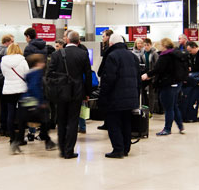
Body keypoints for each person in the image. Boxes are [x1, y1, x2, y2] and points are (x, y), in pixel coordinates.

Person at [48, 30, 93, 159]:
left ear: (67, 40)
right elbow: (88, 75)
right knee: (73, 121)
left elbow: (49, 74)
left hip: (61, 92)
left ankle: (62, 149)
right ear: (78, 41)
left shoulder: (56, 55)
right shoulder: (83, 54)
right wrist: (88, 93)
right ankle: (69, 150)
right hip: (77, 92)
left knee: (61, 120)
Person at [97, 34, 139, 158]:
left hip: (115, 97)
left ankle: (118, 149)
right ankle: (126, 148)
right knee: (126, 123)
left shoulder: (111, 56)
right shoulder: (132, 56)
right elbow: (138, 78)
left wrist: (103, 95)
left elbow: (108, 79)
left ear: (111, 44)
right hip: (131, 97)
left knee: (113, 124)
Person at [10, 54, 56, 154]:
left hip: (24, 100)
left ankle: (16, 142)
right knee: (45, 121)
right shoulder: (37, 73)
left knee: (23, 123)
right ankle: (48, 141)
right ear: (38, 63)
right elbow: (35, 87)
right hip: (34, 101)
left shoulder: (28, 73)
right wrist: (40, 102)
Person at [143, 38, 187, 136]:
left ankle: (167, 129)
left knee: (168, 108)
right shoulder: (177, 54)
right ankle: (181, 126)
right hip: (177, 83)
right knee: (174, 106)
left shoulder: (165, 56)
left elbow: (158, 69)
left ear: (164, 46)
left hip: (167, 84)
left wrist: (147, 75)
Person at [1, 42, 29, 146]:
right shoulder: (22, 61)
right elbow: (27, 74)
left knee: (10, 114)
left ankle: (12, 138)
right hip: (21, 89)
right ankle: (21, 138)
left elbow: (4, 74)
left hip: (8, 90)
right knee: (22, 115)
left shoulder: (3, 61)